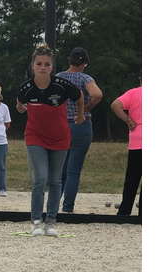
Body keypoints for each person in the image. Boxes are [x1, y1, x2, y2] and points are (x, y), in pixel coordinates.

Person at [16, 43, 85, 236]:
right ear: (33, 65)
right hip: (35, 136)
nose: (43, 68)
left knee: (55, 180)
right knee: (41, 177)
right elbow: (20, 102)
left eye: (47, 64)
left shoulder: (62, 85)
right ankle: (36, 221)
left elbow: (80, 97)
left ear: (52, 66)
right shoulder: (26, 87)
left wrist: (80, 116)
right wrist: (20, 108)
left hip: (60, 137)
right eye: (39, 64)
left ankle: (51, 221)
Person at [56, 47, 103, 213]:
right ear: (84, 63)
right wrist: (87, 108)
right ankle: (67, 207)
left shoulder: (58, 78)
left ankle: (53, 205)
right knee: (73, 170)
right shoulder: (85, 78)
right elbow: (97, 95)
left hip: (61, 125)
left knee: (61, 169)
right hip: (80, 125)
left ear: (69, 60)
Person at [110, 75, 142, 216]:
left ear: (141, 78)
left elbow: (115, 105)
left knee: (132, 178)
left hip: (137, 138)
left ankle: (124, 211)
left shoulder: (133, 93)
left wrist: (128, 120)